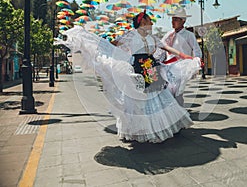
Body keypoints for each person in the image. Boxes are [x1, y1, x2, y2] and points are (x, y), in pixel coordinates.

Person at [60, 10, 201, 143]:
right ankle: (142, 129)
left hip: (151, 68)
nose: (152, 23)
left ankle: (160, 126)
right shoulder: (130, 35)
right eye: (149, 20)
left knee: (158, 95)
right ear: (143, 22)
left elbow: (166, 48)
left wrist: (185, 56)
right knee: (139, 99)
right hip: (137, 69)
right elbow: (113, 44)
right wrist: (96, 45)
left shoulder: (152, 37)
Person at [160, 7, 202, 106]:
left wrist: (195, 64)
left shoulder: (189, 35)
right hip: (168, 68)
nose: (173, 22)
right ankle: (173, 113)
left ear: (183, 21)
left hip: (181, 68)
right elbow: (161, 49)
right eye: (172, 19)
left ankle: (179, 113)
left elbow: (197, 51)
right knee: (168, 92)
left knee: (178, 92)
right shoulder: (168, 35)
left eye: (175, 19)